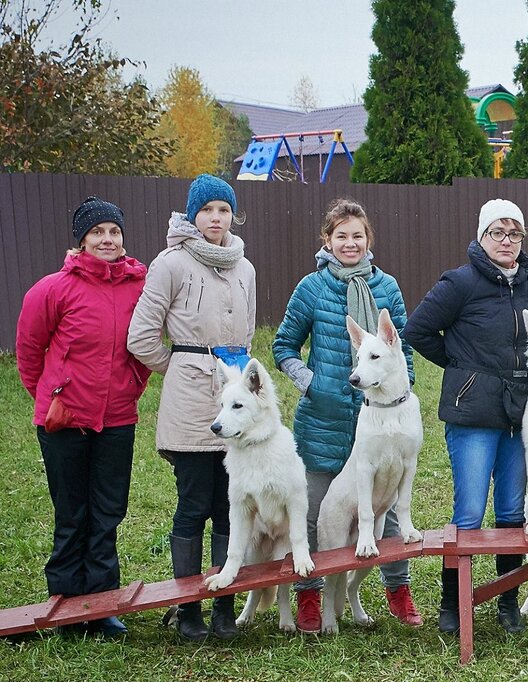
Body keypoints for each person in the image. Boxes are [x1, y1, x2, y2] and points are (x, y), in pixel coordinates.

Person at [272, 199, 422, 633]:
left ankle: (399, 591)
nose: (350, 243)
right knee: (316, 512)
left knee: (387, 510)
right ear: (328, 241)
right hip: (325, 420)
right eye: (341, 236)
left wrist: (403, 394)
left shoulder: (386, 287)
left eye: (357, 235)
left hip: (380, 419)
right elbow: (284, 345)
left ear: (367, 240)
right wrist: (310, 382)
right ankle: (310, 598)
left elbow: (402, 350)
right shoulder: (311, 288)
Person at [405, 199, 528, 636]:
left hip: (519, 411)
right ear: (482, 236)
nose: (507, 241)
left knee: (510, 511)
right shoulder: (459, 283)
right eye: (497, 233)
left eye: (514, 233)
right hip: (472, 414)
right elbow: (417, 330)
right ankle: (452, 602)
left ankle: (507, 602)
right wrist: (460, 366)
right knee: (468, 512)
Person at [127, 174, 255, 643]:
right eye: (207, 211)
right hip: (189, 405)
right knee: (193, 504)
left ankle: (224, 605)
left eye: (223, 210)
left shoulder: (245, 267)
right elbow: (141, 337)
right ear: (192, 215)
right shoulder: (170, 264)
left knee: (229, 506)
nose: (216, 219)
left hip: (235, 407)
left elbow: (246, 335)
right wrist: (182, 366)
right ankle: (188, 609)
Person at [16, 197, 151, 638]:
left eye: (114, 231)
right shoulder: (53, 288)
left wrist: (133, 382)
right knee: (72, 511)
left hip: (117, 419)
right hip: (63, 420)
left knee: (108, 511)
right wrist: (52, 393)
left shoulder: (140, 284)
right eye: (97, 233)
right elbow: (29, 350)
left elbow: (149, 338)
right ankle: (65, 604)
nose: (107, 239)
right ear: (83, 240)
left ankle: (101, 604)